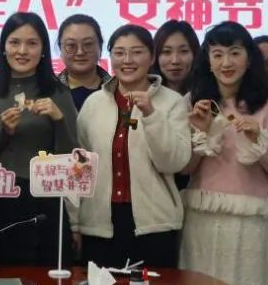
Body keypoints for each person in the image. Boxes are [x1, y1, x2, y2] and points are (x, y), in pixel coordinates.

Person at [180, 21, 268, 285]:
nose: (226, 62)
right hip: (201, 219)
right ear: (208, 61)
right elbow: (183, 168)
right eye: (217, 54)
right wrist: (201, 135)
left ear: (249, 58)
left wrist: (260, 142)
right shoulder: (194, 102)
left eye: (234, 53)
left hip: (249, 223)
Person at [75, 25, 190, 268]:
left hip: (154, 224)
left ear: (152, 57)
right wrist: (76, 222)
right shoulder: (93, 104)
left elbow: (173, 163)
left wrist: (150, 114)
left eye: (137, 52)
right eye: (119, 53)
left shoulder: (172, 102)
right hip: (99, 224)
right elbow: (79, 169)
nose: (127, 60)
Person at [0, 12, 79, 267]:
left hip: (46, 200)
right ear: (3, 48)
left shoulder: (58, 92)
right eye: (14, 42)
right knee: (2, 277)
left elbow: (75, 160)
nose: (22, 51)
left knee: (49, 278)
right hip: (0, 200)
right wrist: (4, 133)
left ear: (43, 51)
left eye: (32, 43)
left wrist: (59, 119)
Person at [56, 14, 110, 112]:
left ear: (100, 47)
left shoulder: (120, 90)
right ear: (61, 49)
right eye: (71, 45)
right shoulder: (47, 92)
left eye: (88, 44)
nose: (80, 52)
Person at [152, 19, 200, 94]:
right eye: (167, 52)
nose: (175, 61)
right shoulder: (145, 94)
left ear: (195, 53)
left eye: (183, 51)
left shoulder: (208, 96)